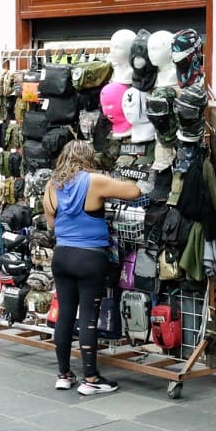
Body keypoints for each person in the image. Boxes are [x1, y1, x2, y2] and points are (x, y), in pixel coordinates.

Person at [42, 140, 141, 395]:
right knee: (88, 316)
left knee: (65, 314)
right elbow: (134, 191)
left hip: (62, 256)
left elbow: (51, 224)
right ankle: (91, 379)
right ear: (87, 158)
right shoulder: (94, 180)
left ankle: (63, 375)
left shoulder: (52, 185)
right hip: (89, 257)